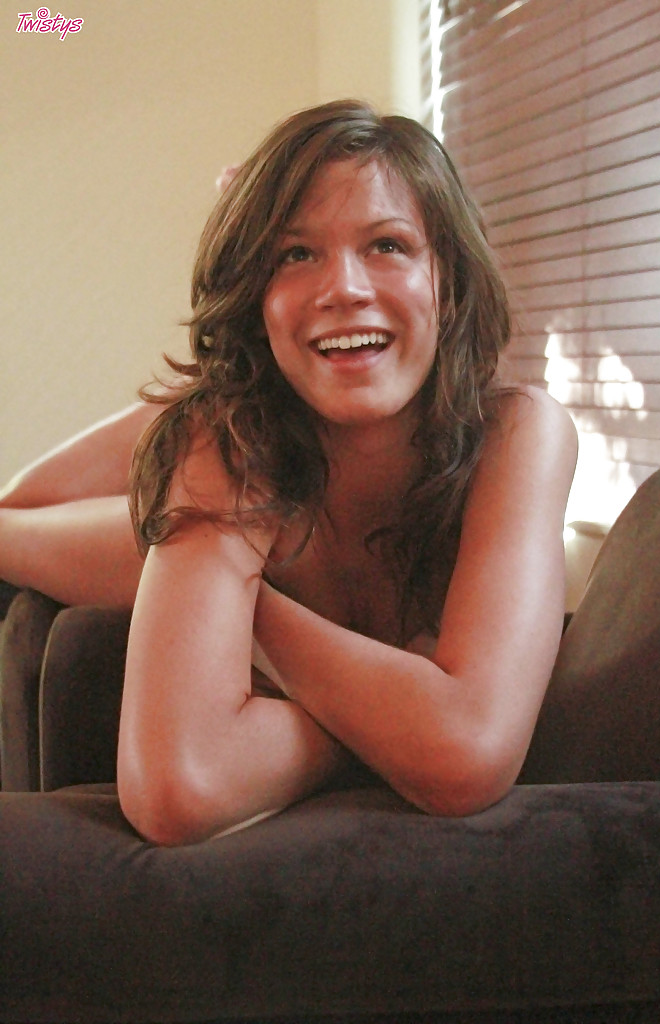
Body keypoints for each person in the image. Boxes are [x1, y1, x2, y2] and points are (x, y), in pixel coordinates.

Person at [0, 101, 578, 845]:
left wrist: (252, 605)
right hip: (223, 466)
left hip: (210, 540)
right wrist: (396, 722)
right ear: (256, 300)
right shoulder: (228, 449)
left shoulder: (520, 432)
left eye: (388, 244)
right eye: (295, 255)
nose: (344, 288)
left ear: (450, 279)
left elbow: (468, 751)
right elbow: (180, 787)